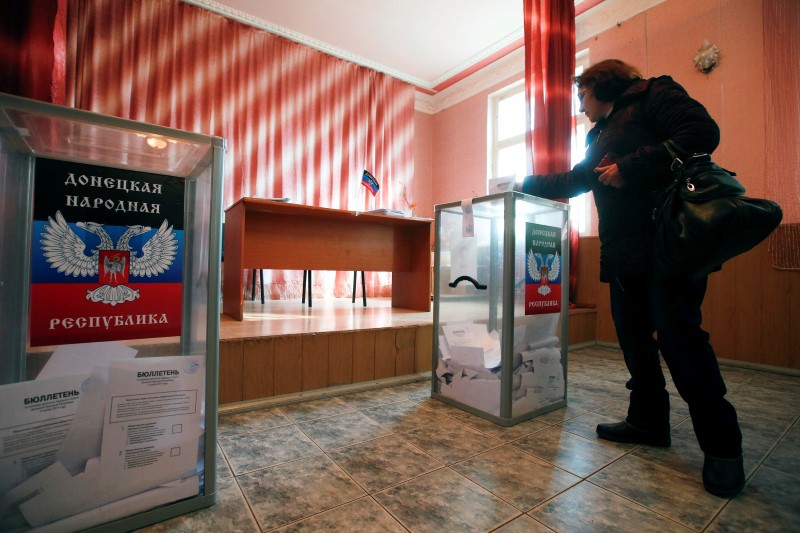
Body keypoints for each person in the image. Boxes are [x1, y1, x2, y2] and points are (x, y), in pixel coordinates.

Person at [516, 59, 745, 497]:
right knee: (635, 342)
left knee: (681, 343)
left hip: (667, 247)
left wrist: (631, 167)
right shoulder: (598, 133)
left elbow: (702, 134)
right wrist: (522, 182)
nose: (579, 107)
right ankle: (647, 422)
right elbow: (579, 178)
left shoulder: (652, 95)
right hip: (623, 253)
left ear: (600, 84)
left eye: (581, 96)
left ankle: (723, 449)